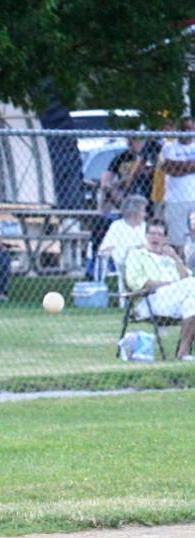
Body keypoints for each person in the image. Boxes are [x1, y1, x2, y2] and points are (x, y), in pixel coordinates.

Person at [123, 219, 195, 360]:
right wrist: (169, 285)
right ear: (146, 235)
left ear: (165, 239)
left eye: (159, 234)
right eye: (152, 233)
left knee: (193, 304)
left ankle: (183, 353)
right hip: (150, 300)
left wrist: (175, 258)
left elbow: (186, 277)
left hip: (178, 301)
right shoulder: (137, 254)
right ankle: (183, 353)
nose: (155, 237)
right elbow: (137, 282)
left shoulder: (169, 259)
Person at [160, 117, 195, 251]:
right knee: (177, 241)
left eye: (189, 129)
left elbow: (174, 167)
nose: (185, 132)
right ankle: (180, 268)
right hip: (175, 200)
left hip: (194, 198)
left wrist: (178, 166)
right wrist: (191, 166)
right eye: (183, 129)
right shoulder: (169, 147)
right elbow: (169, 169)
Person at [99, 136, 158, 212]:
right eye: (128, 140)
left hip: (148, 192)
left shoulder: (151, 156)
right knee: (105, 192)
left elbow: (148, 173)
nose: (129, 144)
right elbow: (105, 183)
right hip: (126, 194)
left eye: (133, 140)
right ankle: (103, 216)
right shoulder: (121, 158)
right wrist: (118, 183)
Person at [95, 194, 147, 279]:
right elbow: (104, 248)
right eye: (143, 211)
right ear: (134, 213)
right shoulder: (117, 226)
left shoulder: (144, 226)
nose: (145, 214)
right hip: (125, 262)